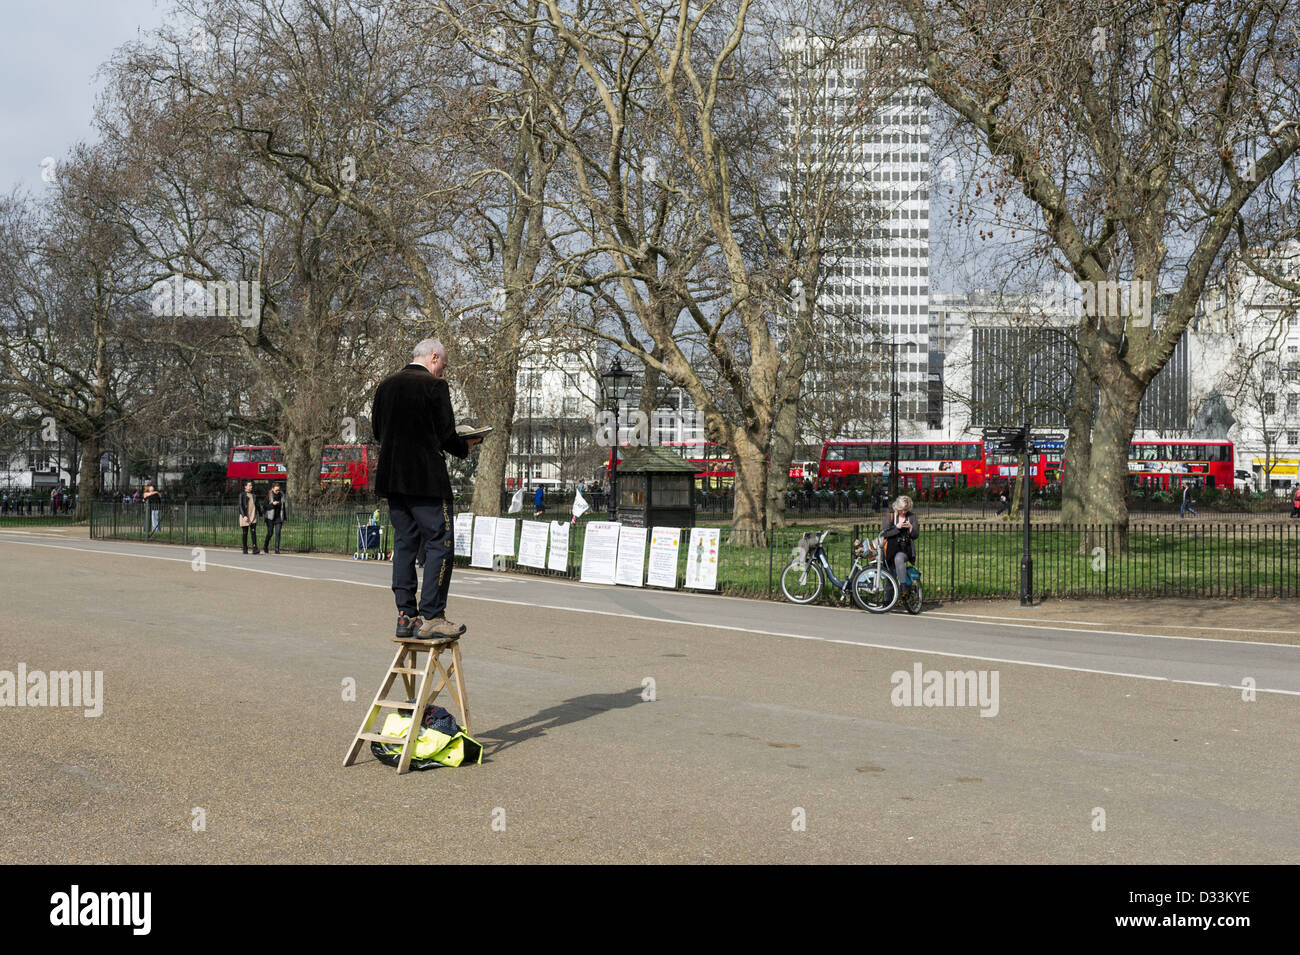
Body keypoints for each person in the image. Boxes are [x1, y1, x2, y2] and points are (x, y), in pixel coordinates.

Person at [372, 338, 482, 641]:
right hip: (426, 480)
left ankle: (405, 615)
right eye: (442, 366)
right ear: (434, 357)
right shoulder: (434, 388)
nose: (442, 373)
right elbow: (447, 435)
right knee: (440, 542)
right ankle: (432, 614)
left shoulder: (386, 386)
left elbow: (378, 432)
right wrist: (467, 443)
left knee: (405, 543)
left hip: (393, 479)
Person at [881, 495, 920, 595]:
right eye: (901, 510)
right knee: (890, 574)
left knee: (898, 559)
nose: (903, 512)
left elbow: (915, 535)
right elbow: (884, 533)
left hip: (904, 549)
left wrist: (911, 528)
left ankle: (903, 587)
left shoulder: (911, 517)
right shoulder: (890, 516)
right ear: (897, 507)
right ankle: (887, 601)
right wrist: (897, 528)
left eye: (905, 510)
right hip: (890, 549)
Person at [262, 482, 287, 553]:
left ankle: (277, 549)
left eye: (278, 490)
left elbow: (283, 507)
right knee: (270, 533)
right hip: (270, 517)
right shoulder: (269, 496)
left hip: (278, 517)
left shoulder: (281, 495)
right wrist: (272, 504)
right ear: (272, 489)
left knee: (278, 533)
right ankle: (265, 546)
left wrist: (285, 518)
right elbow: (264, 507)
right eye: (276, 490)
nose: (278, 491)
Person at [238, 480, 260, 554]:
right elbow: (240, 506)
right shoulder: (242, 495)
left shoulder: (254, 495)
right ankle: (245, 548)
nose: (251, 487)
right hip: (245, 516)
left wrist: (260, 514)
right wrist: (244, 516)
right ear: (245, 486)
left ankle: (254, 548)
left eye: (251, 485)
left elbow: (258, 505)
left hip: (253, 515)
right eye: (249, 485)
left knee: (253, 532)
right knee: (245, 532)